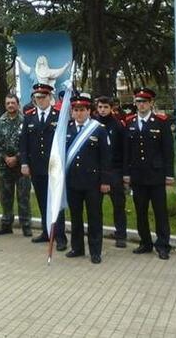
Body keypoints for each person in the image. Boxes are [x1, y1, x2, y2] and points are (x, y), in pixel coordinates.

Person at [124, 87, 174, 260]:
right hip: (137, 175)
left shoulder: (161, 121)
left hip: (156, 174)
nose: (141, 105)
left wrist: (169, 174)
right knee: (141, 211)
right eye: (138, 101)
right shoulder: (129, 121)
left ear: (151, 103)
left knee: (160, 211)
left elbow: (168, 149)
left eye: (145, 101)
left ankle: (163, 245)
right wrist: (126, 173)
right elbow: (127, 151)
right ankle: (145, 242)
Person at [64, 94, 112, 264]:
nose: (78, 113)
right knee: (76, 217)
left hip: (93, 182)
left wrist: (106, 181)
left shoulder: (98, 129)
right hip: (73, 182)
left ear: (89, 111)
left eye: (82, 110)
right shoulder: (67, 129)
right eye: (76, 110)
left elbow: (106, 158)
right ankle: (77, 248)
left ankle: (95, 251)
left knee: (94, 217)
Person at [19, 83, 68, 250]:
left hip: (54, 168)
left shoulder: (59, 116)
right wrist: (24, 163)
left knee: (55, 202)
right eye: (37, 97)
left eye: (43, 97)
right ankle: (47, 232)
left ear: (50, 97)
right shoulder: (29, 116)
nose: (40, 100)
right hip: (36, 167)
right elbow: (23, 143)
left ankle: (60, 236)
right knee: (42, 201)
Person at [0, 94, 32, 237]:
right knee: (5, 197)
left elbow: (29, 143)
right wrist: (5, 157)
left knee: (23, 197)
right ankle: (6, 224)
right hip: (4, 166)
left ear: (18, 104)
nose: (10, 105)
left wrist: (16, 157)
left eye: (13, 103)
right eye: (8, 103)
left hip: (21, 167)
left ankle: (26, 225)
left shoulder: (25, 121)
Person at [94, 95, 127, 247]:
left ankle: (121, 235)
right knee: (95, 205)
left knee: (118, 205)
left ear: (111, 108)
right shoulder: (92, 124)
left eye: (105, 107)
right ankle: (97, 234)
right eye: (100, 107)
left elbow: (124, 150)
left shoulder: (119, 125)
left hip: (115, 170)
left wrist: (125, 173)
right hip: (97, 171)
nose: (102, 110)